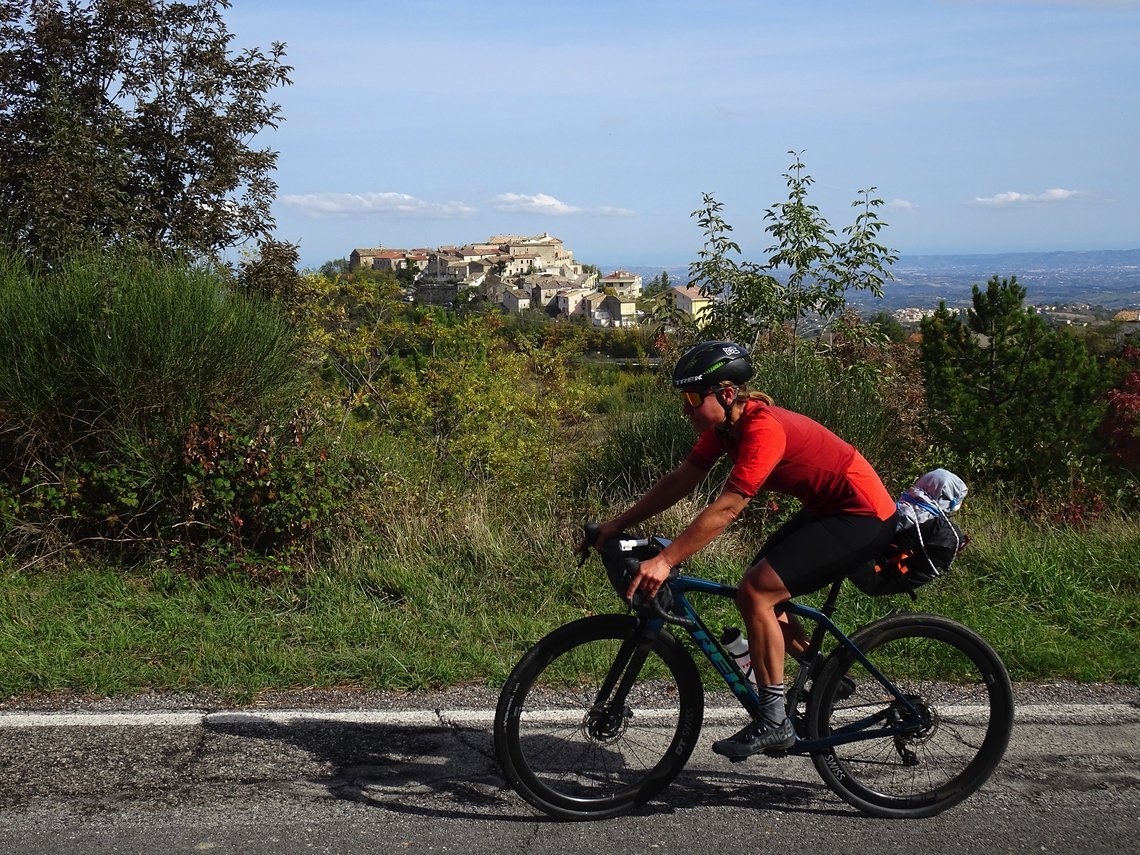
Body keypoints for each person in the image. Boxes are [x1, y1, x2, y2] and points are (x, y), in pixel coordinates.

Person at [588, 341, 898, 758]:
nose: (686, 409)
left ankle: (774, 721)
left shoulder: (762, 429)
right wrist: (617, 524)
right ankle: (825, 674)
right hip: (828, 510)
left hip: (863, 515)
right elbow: (682, 481)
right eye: (684, 398)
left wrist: (665, 560)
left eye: (693, 398)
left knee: (757, 591)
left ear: (727, 394)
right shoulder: (725, 429)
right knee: (760, 591)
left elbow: (729, 507)